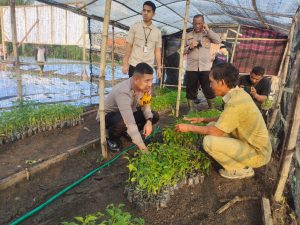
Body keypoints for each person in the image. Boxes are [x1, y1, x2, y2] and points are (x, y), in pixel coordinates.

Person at [176, 63, 272, 179]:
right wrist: (203, 119)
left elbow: (216, 132)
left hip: (257, 154)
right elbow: (227, 118)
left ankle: (241, 169)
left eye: (212, 82)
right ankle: (240, 163)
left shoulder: (235, 102)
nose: (210, 85)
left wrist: (188, 128)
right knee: (212, 124)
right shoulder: (237, 94)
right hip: (250, 145)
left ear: (221, 82)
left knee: (209, 142)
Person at [103, 62, 159, 152]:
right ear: (136, 79)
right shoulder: (123, 92)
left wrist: (149, 121)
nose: (150, 84)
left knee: (154, 115)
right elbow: (129, 122)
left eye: (151, 80)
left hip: (127, 114)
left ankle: (127, 133)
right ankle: (112, 138)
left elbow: (146, 107)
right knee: (122, 121)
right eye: (147, 80)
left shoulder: (144, 88)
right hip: (108, 117)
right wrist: (144, 150)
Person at [184, 14, 221, 111]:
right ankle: (191, 109)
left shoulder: (207, 34)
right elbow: (181, 51)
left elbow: (218, 40)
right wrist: (189, 47)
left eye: (199, 23)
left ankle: (212, 109)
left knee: (208, 88)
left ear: (203, 24)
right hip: (191, 67)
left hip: (205, 67)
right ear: (192, 23)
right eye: (195, 23)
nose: (197, 26)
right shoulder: (188, 35)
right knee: (190, 88)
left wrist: (208, 30)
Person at [122, 1, 162, 79]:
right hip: (134, 65)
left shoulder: (157, 32)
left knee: (145, 90)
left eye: (149, 11)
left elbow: (157, 51)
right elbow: (129, 46)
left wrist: (159, 68)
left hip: (148, 67)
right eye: (144, 10)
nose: (145, 13)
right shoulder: (134, 27)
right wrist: (125, 64)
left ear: (153, 14)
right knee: (133, 90)